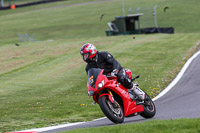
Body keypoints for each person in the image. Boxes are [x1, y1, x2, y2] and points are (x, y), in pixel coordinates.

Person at [80, 43, 146, 100]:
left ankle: (135, 89)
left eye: (86, 55)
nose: (85, 58)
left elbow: (114, 62)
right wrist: (91, 87)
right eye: (84, 56)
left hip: (116, 70)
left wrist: (116, 70)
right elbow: (91, 78)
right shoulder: (88, 67)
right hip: (106, 77)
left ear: (92, 51)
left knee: (122, 78)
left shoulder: (103, 54)